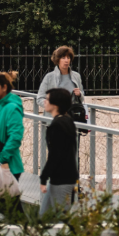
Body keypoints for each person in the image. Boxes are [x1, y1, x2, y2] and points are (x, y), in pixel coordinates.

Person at [39, 88, 79, 216]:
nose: (44, 102)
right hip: (62, 177)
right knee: (44, 217)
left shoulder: (57, 125)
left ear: (55, 105)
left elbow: (55, 154)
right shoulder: (68, 121)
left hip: (62, 179)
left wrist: (43, 177)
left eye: (47, 99)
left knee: (61, 220)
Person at [36, 46, 84, 111]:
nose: (66, 60)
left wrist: (79, 94)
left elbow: (82, 97)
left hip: (72, 117)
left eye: (68, 58)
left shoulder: (76, 76)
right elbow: (39, 98)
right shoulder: (49, 77)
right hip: (53, 118)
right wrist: (52, 107)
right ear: (58, 60)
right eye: (63, 58)